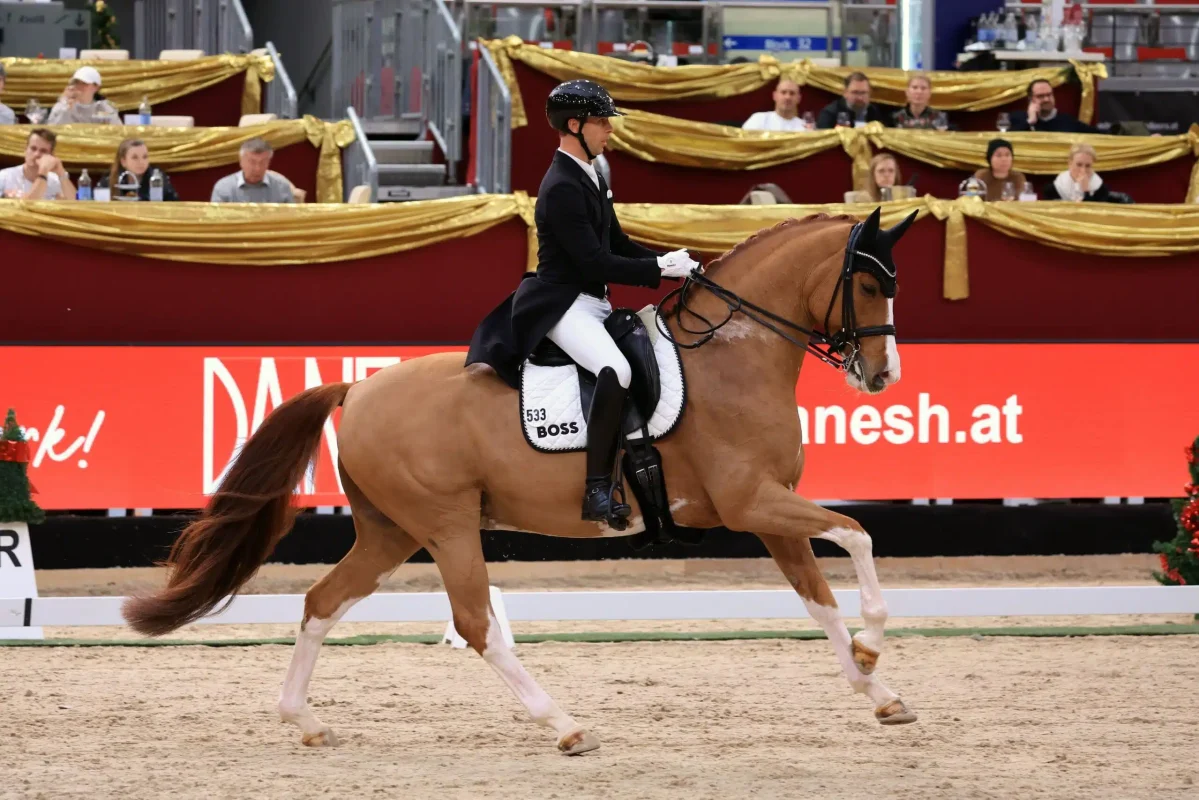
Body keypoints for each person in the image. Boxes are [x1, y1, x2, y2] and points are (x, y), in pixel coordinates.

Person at [465, 79, 698, 528]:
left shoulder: (591, 173)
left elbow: (617, 241)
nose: (610, 130)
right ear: (575, 125)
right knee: (617, 370)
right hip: (562, 304)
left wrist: (668, 260)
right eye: (601, 122)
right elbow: (594, 260)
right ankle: (595, 489)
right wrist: (657, 271)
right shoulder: (560, 187)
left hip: (592, 301)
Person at [210, 138, 295, 203]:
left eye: (263, 162)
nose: (257, 168)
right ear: (241, 161)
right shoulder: (224, 187)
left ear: (269, 162)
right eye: (252, 162)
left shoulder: (281, 187)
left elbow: (291, 221)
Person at [0, 128, 75, 200]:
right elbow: (30, 204)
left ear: (51, 155)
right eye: (33, 148)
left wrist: (61, 172)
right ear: (25, 150)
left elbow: (77, 203)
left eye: (43, 151)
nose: (37, 154)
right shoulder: (4, 176)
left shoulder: (55, 180)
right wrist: (43, 172)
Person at [1040, 142, 1130, 203]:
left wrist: (1086, 191)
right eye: (1079, 165)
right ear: (1070, 163)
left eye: (1088, 166)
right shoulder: (1053, 189)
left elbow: (1092, 217)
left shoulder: (1101, 189)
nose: (1083, 170)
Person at [97, 138, 179, 201]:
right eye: (135, 157)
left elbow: (174, 206)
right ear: (123, 161)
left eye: (145, 157)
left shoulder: (157, 177)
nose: (141, 162)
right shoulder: (109, 178)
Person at [1010, 79, 1096, 134]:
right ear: (1030, 99)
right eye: (1040, 96)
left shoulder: (1067, 121)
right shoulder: (1018, 118)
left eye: (1049, 95)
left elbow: (1099, 136)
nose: (1047, 99)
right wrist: (1030, 121)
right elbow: (1006, 142)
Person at [47, 66, 121, 125]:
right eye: (76, 82)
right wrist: (66, 108)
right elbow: (51, 131)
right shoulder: (61, 106)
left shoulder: (104, 109)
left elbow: (117, 131)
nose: (79, 86)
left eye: (84, 83)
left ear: (96, 87)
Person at [816, 72, 890, 129]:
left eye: (864, 93)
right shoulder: (830, 114)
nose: (860, 98)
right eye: (855, 92)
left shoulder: (875, 112)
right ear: (845, 93)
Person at [743, 79, 807, 132]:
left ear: (799, 99)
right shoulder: (758, 119)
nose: (787, 97)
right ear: (775, 96)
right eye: (783, 92)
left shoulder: (805, 127)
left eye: (792, 93)